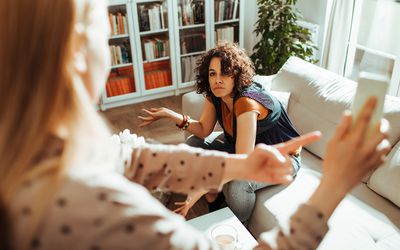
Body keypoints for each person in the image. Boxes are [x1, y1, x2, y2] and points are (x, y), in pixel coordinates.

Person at [0, 1, 390, 250]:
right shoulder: (103, 206)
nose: (217, 80)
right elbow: (196, 137)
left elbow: (136, 157)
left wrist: (225, 173)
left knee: (229, 175)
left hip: (277, 154)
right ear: (78, 52)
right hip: (248, 153)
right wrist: (335, 186)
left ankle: (227, 209)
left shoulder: (40, 155)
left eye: (224, 74)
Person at [139, 43, 302, 223]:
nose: (217, 80)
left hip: (282, 157)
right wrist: (171, 115)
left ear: (237, 75)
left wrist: (197, 191)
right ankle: (214, 200)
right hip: (244, 146)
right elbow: (203, 129)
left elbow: (243, 162)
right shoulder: (216, 94)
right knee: (193, 144)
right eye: (212, 73)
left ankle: (238, 228)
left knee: (239, 184)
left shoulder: (246, 103)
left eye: (225, 73)